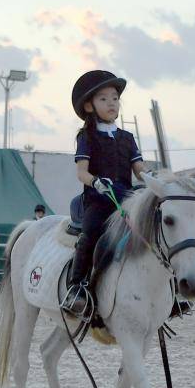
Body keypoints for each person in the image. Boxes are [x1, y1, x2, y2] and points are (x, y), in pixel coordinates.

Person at [62, 70, 145, 318]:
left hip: (126, 200)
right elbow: (82, 173)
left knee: (155, 229)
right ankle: (76, 287)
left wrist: (155, 180)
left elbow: (140, 170)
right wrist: (96, 182)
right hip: (98, 199)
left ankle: (167, 293)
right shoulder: (85, 136)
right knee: (91, 234)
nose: (112, 103)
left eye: (115, 98)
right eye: (104, 99)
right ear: (89, 105)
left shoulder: (127, 138)